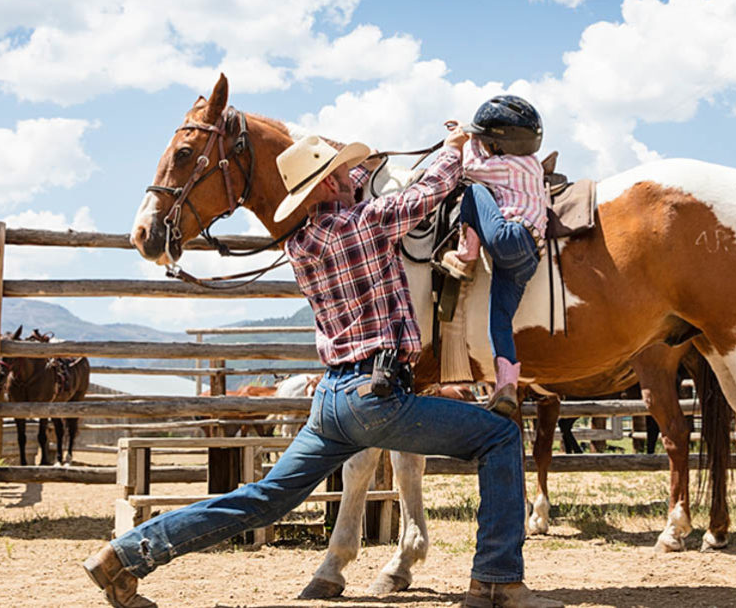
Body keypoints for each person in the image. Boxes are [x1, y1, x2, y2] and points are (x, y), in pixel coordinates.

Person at [83, 129, 562, 608]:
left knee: (264, 498)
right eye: (344, 173)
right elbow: (428, 192)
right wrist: (454, 148)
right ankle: (497, 580)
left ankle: (124, 556)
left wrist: (356, 169)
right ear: (330, 184)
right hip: (376, 397)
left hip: (332, 401)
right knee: (500, 436)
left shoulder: (302, 242)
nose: (354, 178)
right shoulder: (365, 224)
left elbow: (354, 196)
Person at [439, 95, 549, 418]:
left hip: (510, 238)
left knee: (473, 191)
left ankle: (466, 254)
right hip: (527, 257)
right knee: (499, 321)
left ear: (499, 144)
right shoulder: (531, 165)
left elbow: (471, 168)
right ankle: (506, 387)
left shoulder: (507, 165)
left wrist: (466, 139)